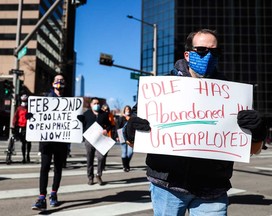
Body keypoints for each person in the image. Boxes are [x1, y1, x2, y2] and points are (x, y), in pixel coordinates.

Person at [125, 29, 267, 216]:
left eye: (214, 51)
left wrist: (257, 130)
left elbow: (253, 149)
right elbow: (133, 137)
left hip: (212, 189)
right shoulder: (160, 89)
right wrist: (132, 130)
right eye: (201, 50)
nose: (207, 55)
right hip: (168, 186)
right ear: (187, 54)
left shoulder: (232, 93)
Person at [32, 73, 68, 211]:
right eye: (57, 80)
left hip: (61, 141)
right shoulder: (46, 98)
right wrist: (31, 116)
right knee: (44, 168)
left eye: (61, 80)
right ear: (53, 83)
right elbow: (38, 115)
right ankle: (41, 197)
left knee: (58, 168)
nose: (59, 82)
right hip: (47, 140)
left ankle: (53, 194)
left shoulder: (69, 102)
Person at [81, 97, 111, 186]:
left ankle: (99, 175)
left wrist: (106, 130)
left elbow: (109, 125)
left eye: (98, 103)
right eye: (94, 103)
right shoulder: (86, 114)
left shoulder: (104, 114)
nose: (96, 105)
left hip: (100, 139)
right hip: (89, 140)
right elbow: (82, 125)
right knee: (90, 158)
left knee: (101, 157)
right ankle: (90, 177)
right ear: (91, 105)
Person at [12, 94, 31, 163]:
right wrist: (14, 125)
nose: (24, 102)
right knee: (23, 143)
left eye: (25, 101)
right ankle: (23, 157)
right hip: (21, 126)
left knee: (28, 142)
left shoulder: (30, 108)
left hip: (28, 127)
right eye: (23, 101)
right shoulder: (19, 108)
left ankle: (28, 155)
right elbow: (15, 117)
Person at [116, 105, 133, 172]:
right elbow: (117, 127)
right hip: (122, 137)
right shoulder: (121, 118)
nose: (127, 111)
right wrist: (117, 136)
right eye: (126, 109)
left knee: (130, 152)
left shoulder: (132, 118)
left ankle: (127, 164)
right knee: (124, 152)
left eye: (128, 109)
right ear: (124, 110)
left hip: (130, 138)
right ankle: (125, 166)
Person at [101, 104, 116, 170]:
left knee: (105, 153)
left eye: (107, 109)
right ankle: (101, 166)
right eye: (104, 109)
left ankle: (103, 165)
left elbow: (113, 125)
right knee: (101, 153)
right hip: (100, 136)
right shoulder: (99, 115)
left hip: (108, 136)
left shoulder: (110, 115)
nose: (106, 111)